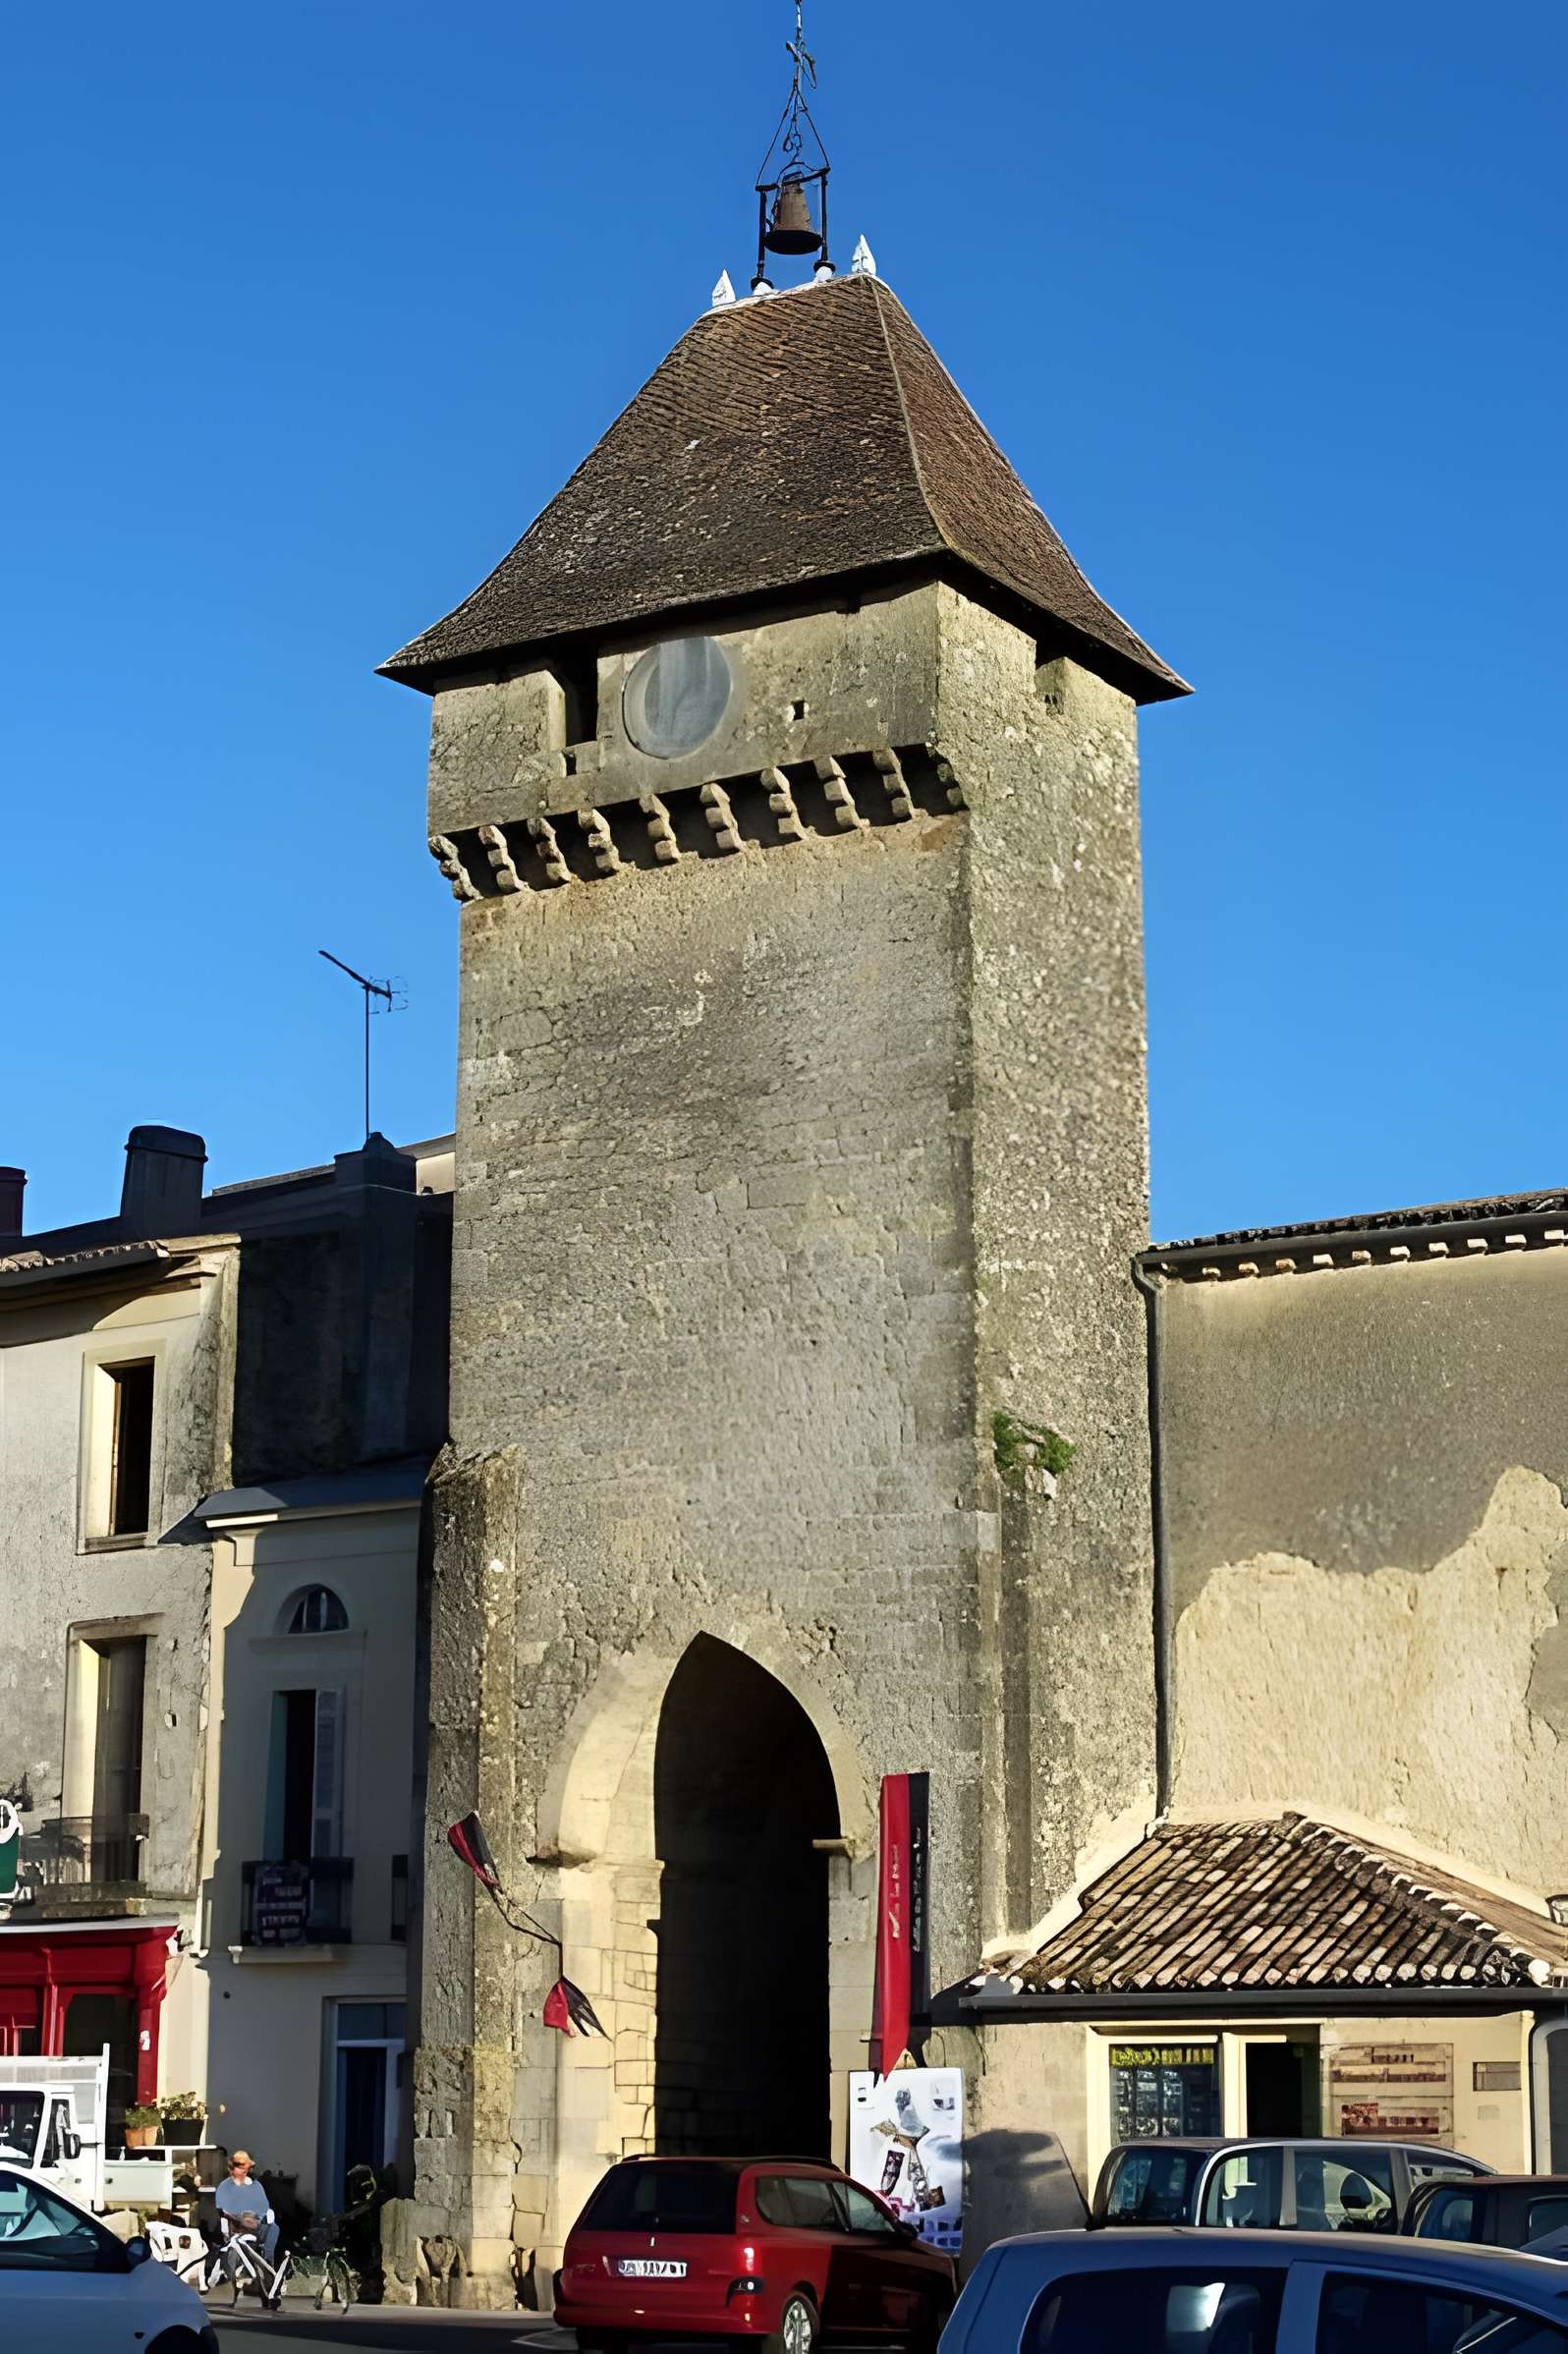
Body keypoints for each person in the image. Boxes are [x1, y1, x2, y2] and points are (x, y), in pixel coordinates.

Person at [214, 2149, 279, 2264]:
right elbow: (222, 2210)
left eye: (246, 2167)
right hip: (236, 2226)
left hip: (256, 2225)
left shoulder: (256, 2185)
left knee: (274, 2228)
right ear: (232, 2168)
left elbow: (264, 2208)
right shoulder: (225, 2186)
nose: (244, 2170)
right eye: (240, 2167)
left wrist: (266, 2215)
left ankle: (268, 2262)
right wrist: (237, 2219)